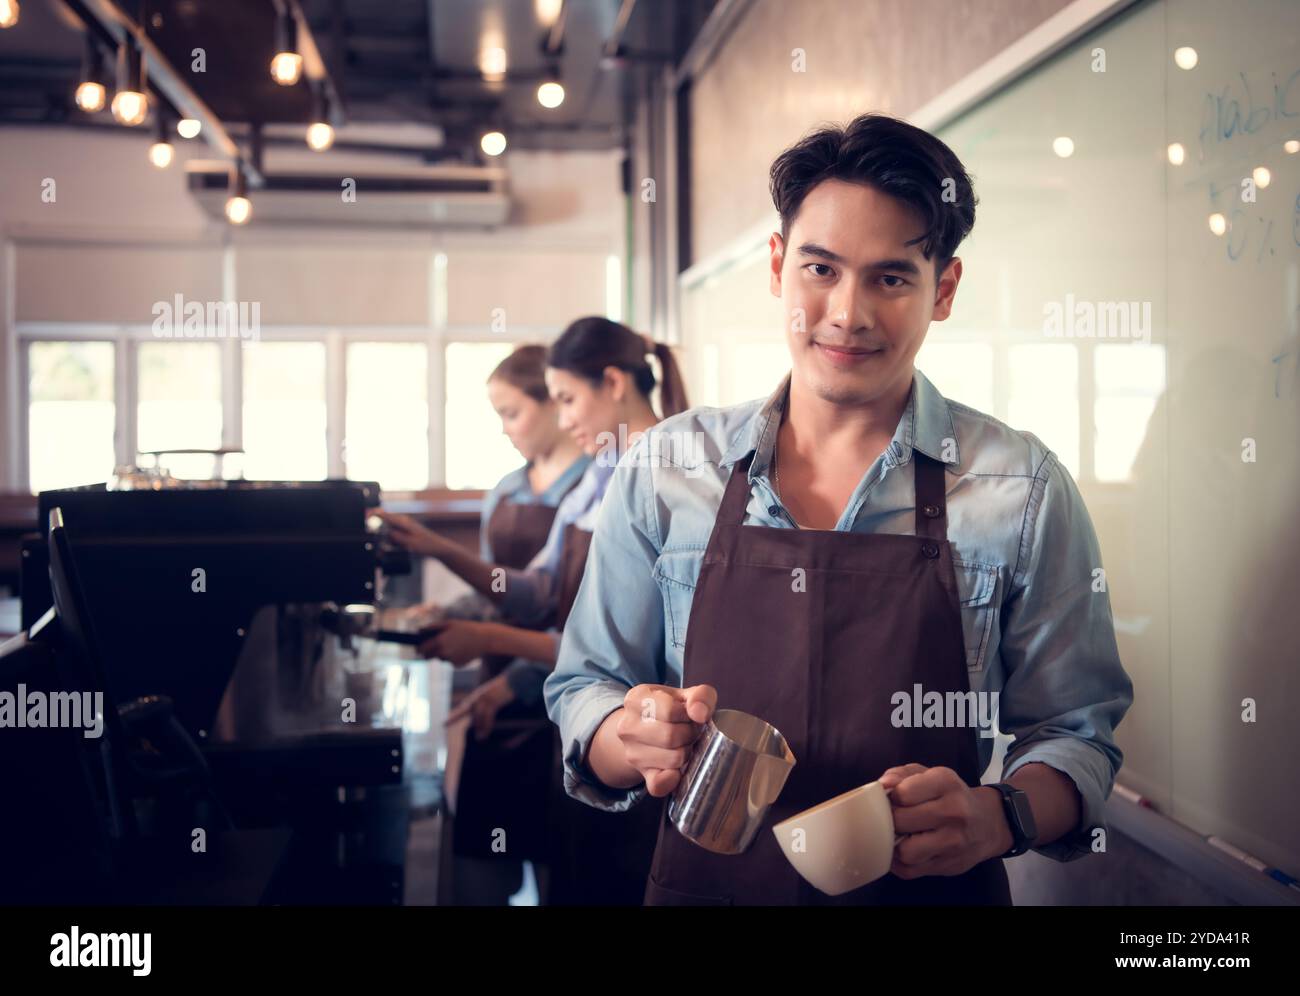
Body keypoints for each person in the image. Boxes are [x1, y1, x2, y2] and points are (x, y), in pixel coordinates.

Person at [544, 112, 1134, 905]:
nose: (848, 313)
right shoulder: (668, 468)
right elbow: (586, 685)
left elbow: (1076, 731)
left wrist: (998, 817)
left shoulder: (1020, 489)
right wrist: (632, 737)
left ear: (944, 290)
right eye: (821, 269)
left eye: (891, 278)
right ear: (780, 265)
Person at [381, 317, 689, 904]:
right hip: (586, 728)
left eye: (568, 399)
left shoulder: (675, 476)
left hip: (647, 739)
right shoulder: (598, 478)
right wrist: (438, 549)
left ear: (615, 383)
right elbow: (539, 593)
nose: (566, 418)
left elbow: (631, 651)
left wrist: (491, 641)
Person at [383, 344, 587, 903]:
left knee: (562, 862)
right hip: (498, 695)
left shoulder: (594, 489)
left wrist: (513, 676)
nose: (504, 429)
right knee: (481, 859)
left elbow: (580, 618)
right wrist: (444, 616)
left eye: (511, 412)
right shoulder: (506, 489)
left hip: (561, 691)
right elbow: (505, 592)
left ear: (554, 402)